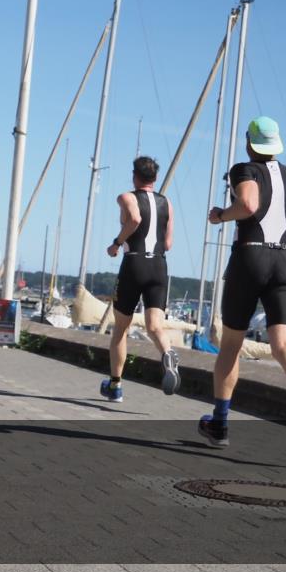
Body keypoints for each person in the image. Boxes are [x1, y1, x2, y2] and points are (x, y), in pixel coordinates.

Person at [199, 116, 286, 456]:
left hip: (250, 257)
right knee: (282, 342)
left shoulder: (245, 169)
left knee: (231, 344)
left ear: (249, 142)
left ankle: (219, 424)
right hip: (284, 261)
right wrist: (285, 221)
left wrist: (220, 216)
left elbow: (248, 205)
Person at [101, 156, 179, 403]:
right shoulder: (167, 203)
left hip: (134, 263)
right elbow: (168, 243)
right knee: (155, 326)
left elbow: (135, 219)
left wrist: (117, 243)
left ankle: (115, 386)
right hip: (159, 266)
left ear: (135, 176)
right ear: (155, 178)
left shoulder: (126, 197)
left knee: (120, 329)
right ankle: (168, 354)